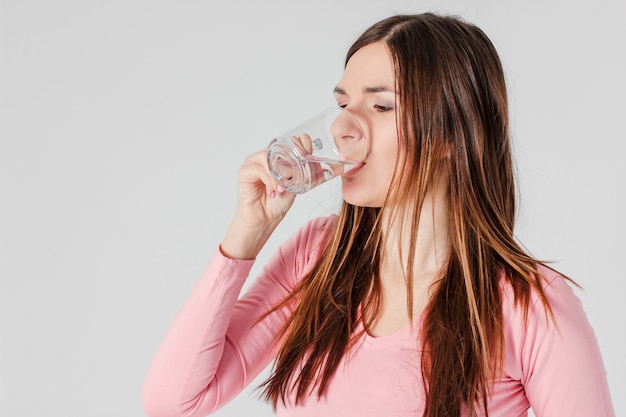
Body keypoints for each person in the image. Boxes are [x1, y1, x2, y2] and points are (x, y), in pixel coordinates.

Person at [142, 13, 615, 417]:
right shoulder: (317, 257)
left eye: (382, 105)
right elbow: (175, 401)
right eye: (344, 103)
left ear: (452, 135)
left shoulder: (530, 305)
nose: (345, 127)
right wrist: (247, 232)